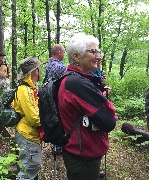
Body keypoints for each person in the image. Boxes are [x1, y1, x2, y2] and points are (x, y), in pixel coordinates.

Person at [58, 33, 118, 180]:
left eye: (98, 51)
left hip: (78, 152)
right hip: (83, 157)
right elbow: (109, 122)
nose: (99, 56)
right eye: (93, 52)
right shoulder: (77, 84)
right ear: (76, 57)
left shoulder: (72, 78)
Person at [13, 56, 43, 180]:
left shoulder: (31, 88)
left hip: (31, 135)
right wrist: (49, 123)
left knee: (31, 168)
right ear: (34, 71)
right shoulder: (25, 90)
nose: (41, 71)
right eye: (39, 69)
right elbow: (34, 118)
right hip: (27, 135)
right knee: (28, 170)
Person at [43, 44, 66, 154]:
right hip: (56, 96)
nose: (64, 54)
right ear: (59, 53)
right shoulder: (59, 67)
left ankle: (56, 144)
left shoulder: (49, 64)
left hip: (49, 96)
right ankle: (58, 146)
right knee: (59, 119)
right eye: (64, 52)